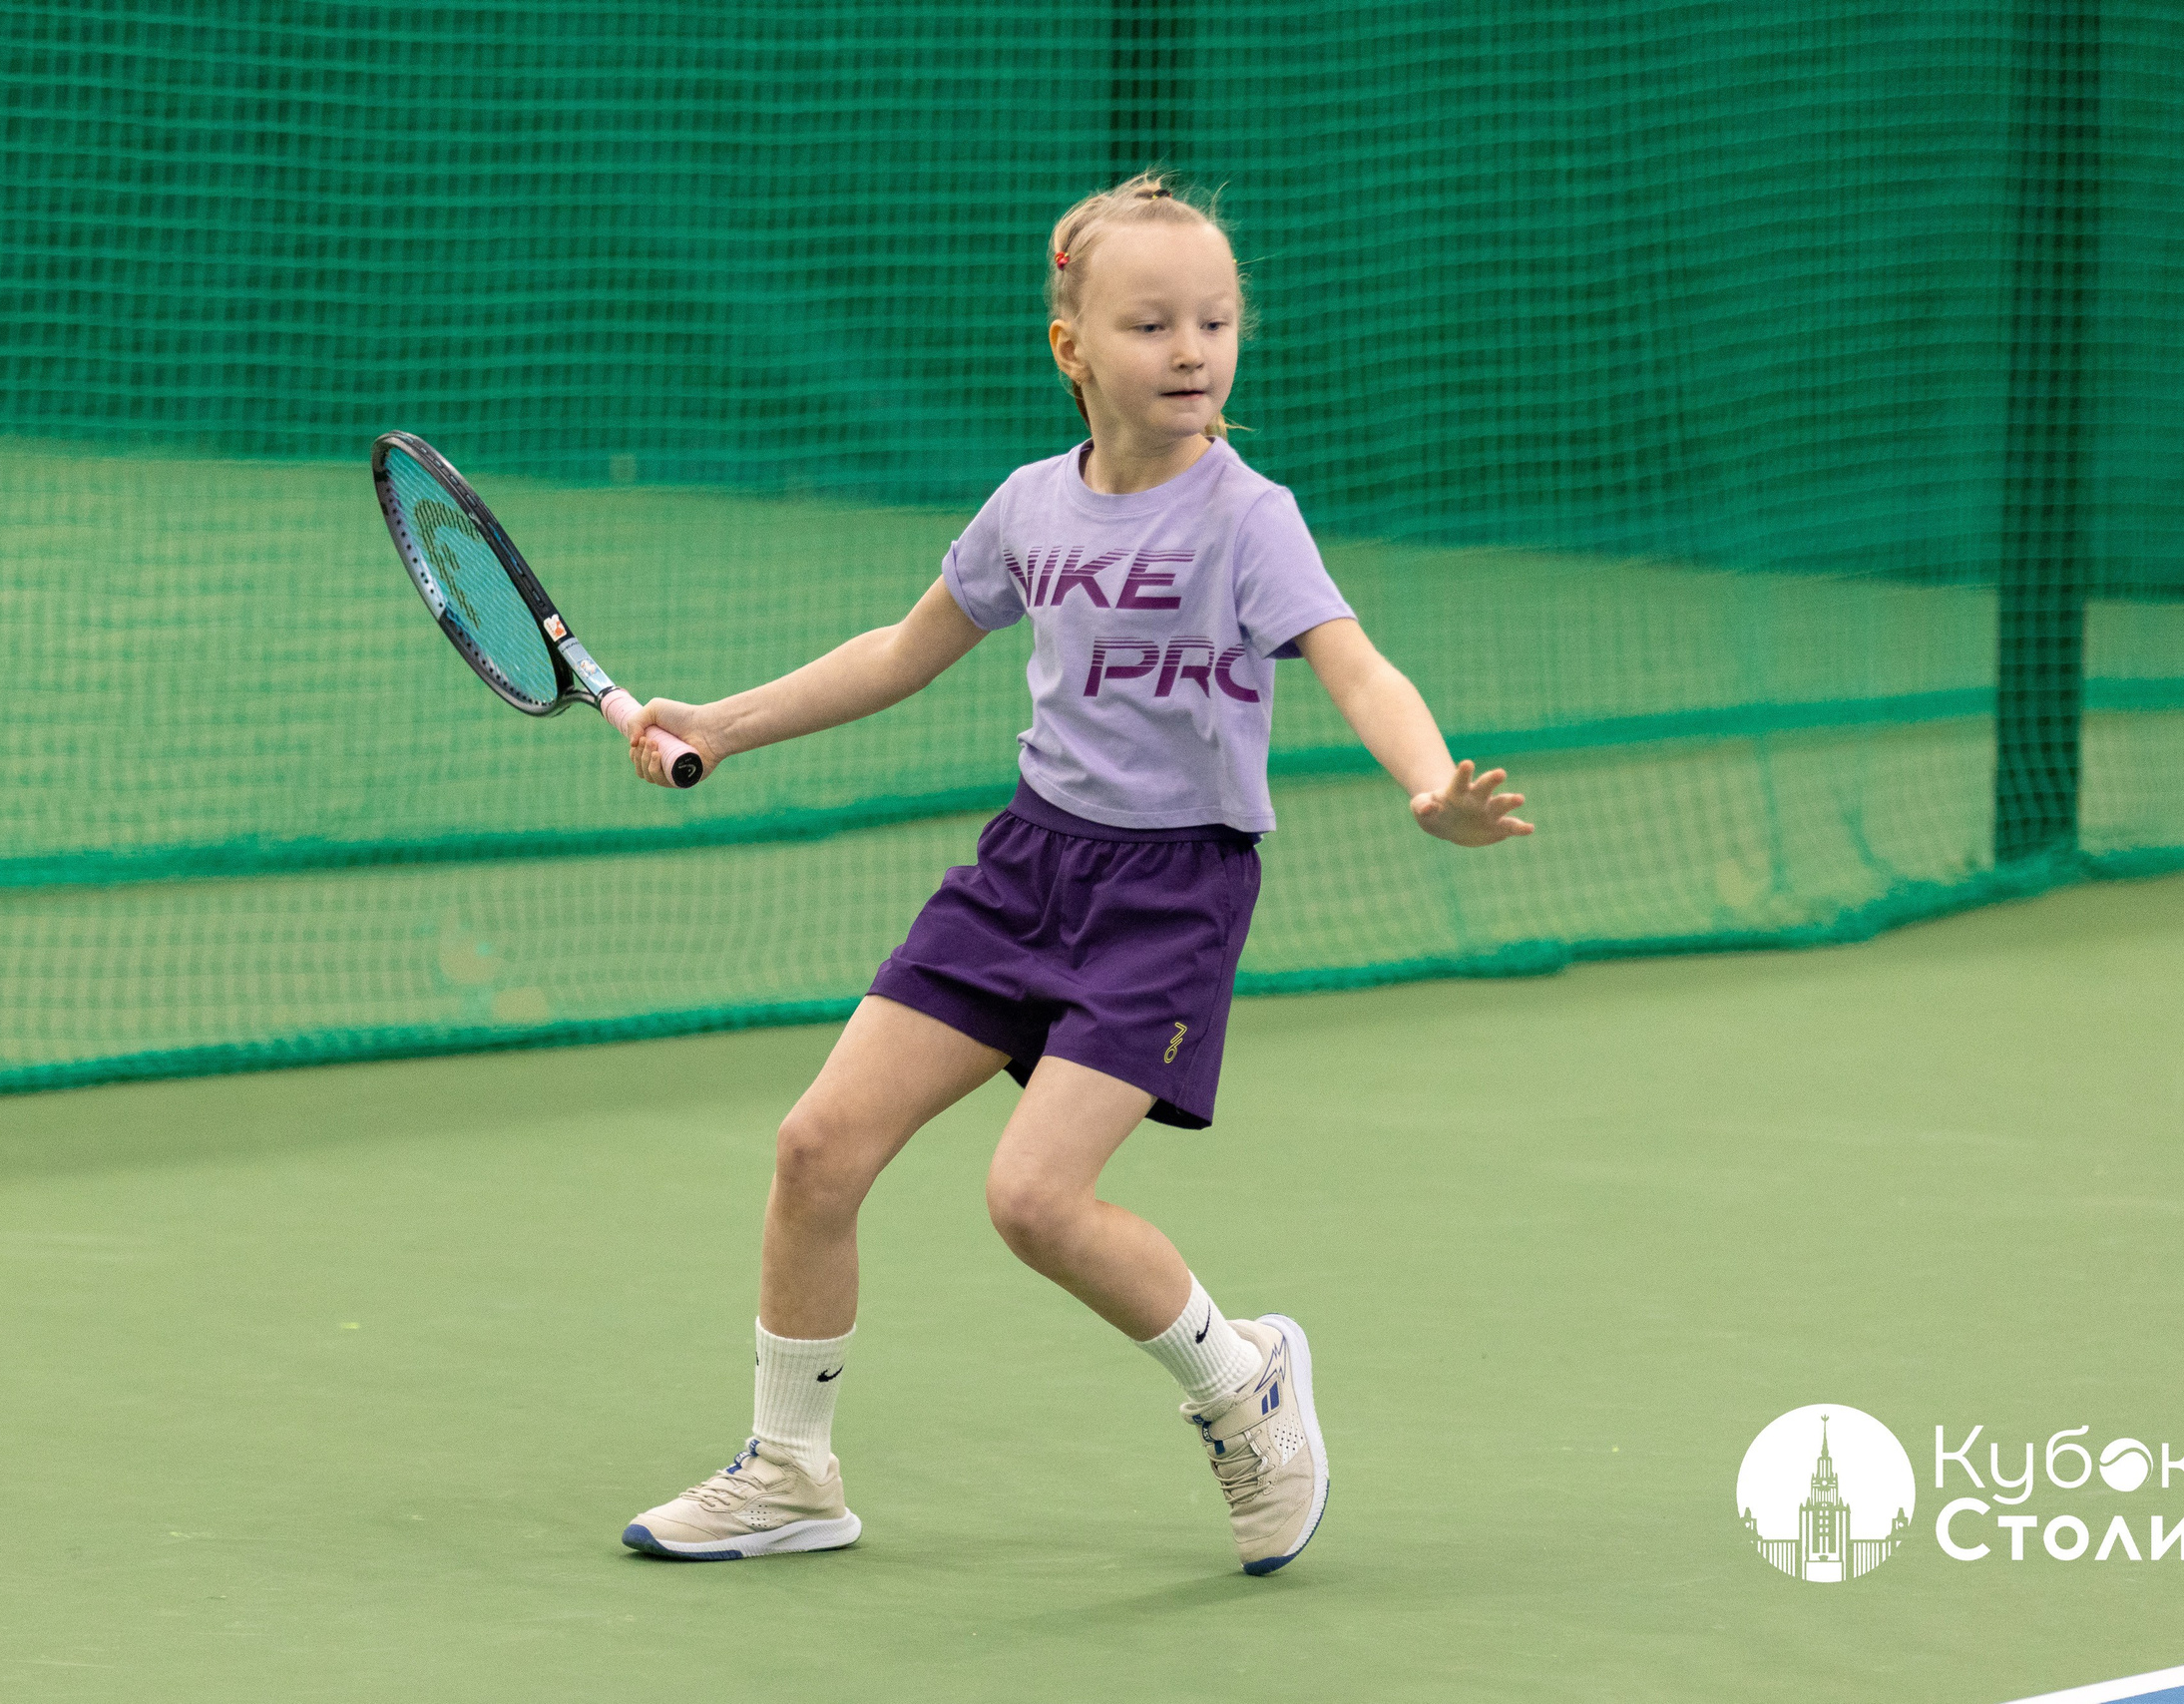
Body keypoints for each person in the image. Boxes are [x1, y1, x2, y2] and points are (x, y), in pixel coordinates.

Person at [617, 172, 1531, 1575]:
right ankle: (791, 1471)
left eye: (1216, 322)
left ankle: (1245, 1382)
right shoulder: (1031, 509)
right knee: (816, 1150)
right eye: (1153, 322)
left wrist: (1428, 786)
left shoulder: (1249, 517)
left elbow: (1357, 662)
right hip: (1024, 871)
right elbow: (900, 649)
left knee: (1035, 1201)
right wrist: (722, 725)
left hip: (1172, 895)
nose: (1191, 350)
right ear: (1074, 349)